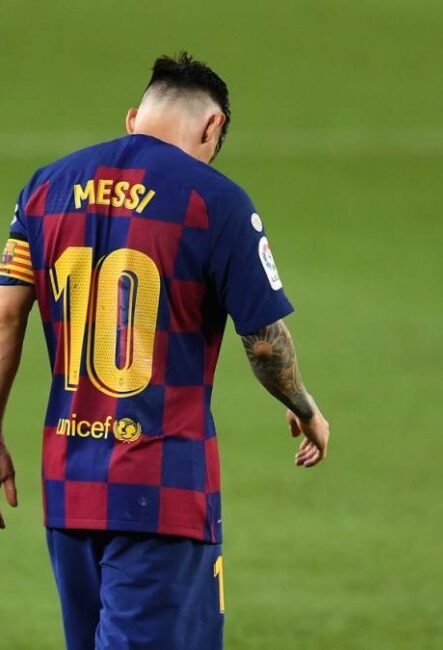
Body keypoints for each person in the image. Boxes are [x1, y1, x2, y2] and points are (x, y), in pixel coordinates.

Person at [0, 52, 330, 650]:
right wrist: (304, 407)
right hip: (163, 492)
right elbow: (263, 343)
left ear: (134, 117)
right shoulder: (215, 201)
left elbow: (5, 316)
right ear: (212, 127)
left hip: (69, 486)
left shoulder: (44, 189)